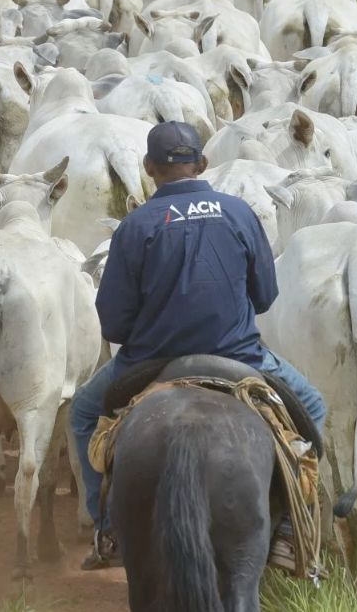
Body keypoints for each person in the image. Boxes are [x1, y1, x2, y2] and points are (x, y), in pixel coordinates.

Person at [70, 120, 329, 570]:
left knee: (82, 413)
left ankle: (108, 525)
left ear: (150, 168)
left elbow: (111, 323)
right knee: (314, 407)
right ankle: (287, 529)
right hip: (240, 357)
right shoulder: (239, 212)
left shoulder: (134, 226)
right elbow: (266, 296)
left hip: (149, 363)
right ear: (203, 164)